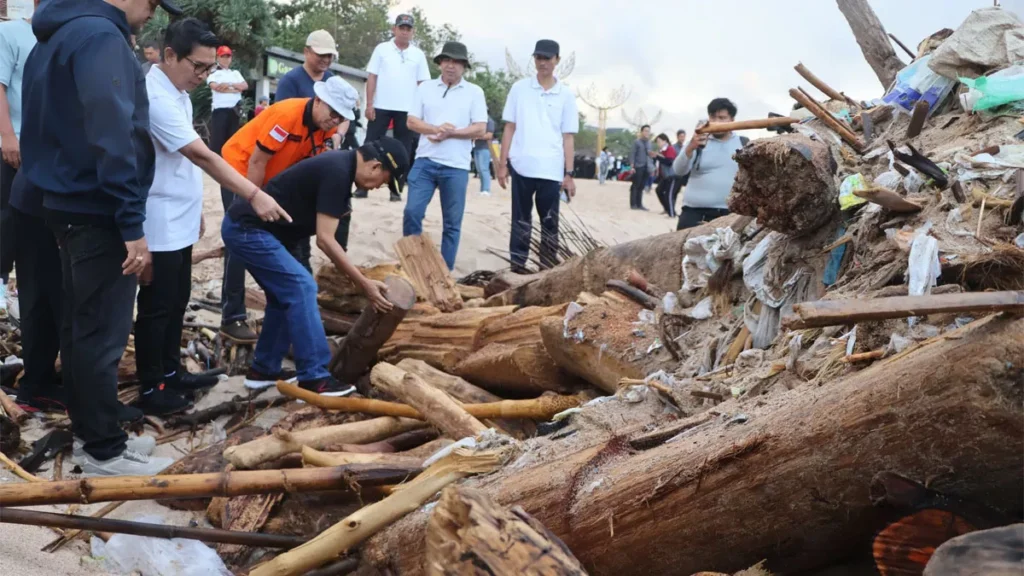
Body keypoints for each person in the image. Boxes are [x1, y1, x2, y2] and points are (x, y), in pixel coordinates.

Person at [19, 0, 185, 476]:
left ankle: (97, 429)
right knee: (100, 333)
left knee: (81, 325)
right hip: (98, 209)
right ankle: (102, 452)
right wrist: (131, 223)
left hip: (66, 201)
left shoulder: (58, 32)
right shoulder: (100, 37)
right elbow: (112, 130)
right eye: (152, 2)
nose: (152, 12)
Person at [137, 18, 290, 416]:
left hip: (179, 213)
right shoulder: (154, 95)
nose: (205, 76)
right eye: (199, 67)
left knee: (179, 298)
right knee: (158, 304)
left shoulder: (180, 93)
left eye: (209, 68)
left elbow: (181, 159)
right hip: (159, 218)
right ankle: (153, 386)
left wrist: (195, 210)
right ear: (170, 55)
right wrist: (253, 194)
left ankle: (171, 373)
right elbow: (201, 155)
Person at [221, 138, 408, 393]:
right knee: (301, 287)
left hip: (264, 232)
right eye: (384, 181)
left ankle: (263, 371)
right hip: (248, 229)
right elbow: (325, 240)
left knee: (282, 296)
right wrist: (363, 284)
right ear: (375, 167)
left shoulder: (341, 167)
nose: (378, 188)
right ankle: (315, 376)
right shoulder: (338, 171)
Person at [218, 76, 352, 345]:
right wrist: (251, 202)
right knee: (241, 239)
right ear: (318, 100)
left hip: (275, 180)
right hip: (241, 171)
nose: (334, 120)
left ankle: (292, 315)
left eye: (341, 117)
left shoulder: (325, 130)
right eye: (332, 113)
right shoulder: (285, 115)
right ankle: (232, 317)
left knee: (291, 241)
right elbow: (257, 161)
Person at [404, 41, 487, 271]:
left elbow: (480, 128)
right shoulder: (425, 88)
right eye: (447, 60)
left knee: (452, 224)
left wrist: (452, 133)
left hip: (457, 166)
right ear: (440, 63)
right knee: (412, 212)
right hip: (425, 161)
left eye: (457, 62)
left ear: (464, 66)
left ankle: (445, 272)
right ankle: (415, 267)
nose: (451, 66)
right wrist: (436, 130)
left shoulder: (475, 92)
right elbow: (411, 121)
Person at [497, 39, 578, 271]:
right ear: (534, 59)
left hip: (551, 169)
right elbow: (509, 127)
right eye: (539, 58)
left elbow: (568, 136)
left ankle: (547, 267)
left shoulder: (566, 95)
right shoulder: (519, 89)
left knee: (550, 223)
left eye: (548, 58)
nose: (543, 63)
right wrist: (502, 164)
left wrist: (569, 173)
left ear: (557, 60)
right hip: (522, 164)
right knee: (521, 220)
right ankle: (517, 265)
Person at [364, 12, 430, 201]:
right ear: (394, 29)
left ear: (413, 32)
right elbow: (372, 77)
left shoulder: (418, 54)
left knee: (404, 149)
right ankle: (362, 184)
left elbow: (422, 84)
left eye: (408, 29)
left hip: (407, 109)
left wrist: (421, 111)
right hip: (381, 105)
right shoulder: (382, 49)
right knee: (371, 144)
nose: (404, 32)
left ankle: (396, 187)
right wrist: (369, 104)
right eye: (401, 28)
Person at [0, 0, 38, 312]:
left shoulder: (63, 36)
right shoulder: (10, 32)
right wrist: (7, 136)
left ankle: (26, 291)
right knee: (5, 219)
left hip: (46, 152)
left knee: (34, 226)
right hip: (13, 146)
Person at [672, 98, 748, 230]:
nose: (716, 122)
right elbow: (678, 170)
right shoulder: (699, 141)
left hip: (729, 215)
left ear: (732, 120)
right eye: (713, 117)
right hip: (694, 213)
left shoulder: (743, 143)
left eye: (722, 118)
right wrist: (691, 147)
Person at [206, 45, 247, 156]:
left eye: (228, 56)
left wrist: (228, 85)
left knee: (232, 139)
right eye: (223, 56)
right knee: (217, 140)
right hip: (220, 110)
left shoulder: (235, 73)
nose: (226, 59)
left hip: (234, 110)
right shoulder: (214, 73)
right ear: (218, 58)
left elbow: (244, 86)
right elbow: (215, 87)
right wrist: (235, 89)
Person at [274, 29, 336, 102]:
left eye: (329, 56)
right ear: (306, 52)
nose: (326, 60)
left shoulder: (334, 82)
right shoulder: (290, 82)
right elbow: (280, 112)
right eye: (321, 55)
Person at [652, 133, 678, 216]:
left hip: (671, 175)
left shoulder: (670, 149)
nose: (658, 144)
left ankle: (671, 213)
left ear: (665, 141)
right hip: (664, 176)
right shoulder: (662, 151)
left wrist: (658, 157)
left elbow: (669, 162)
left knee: (669, 195)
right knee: (659, 190)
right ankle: (666, 208)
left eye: (659, 141)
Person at [629, 124, 653, 210]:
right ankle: (633, 204)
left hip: (647, 167)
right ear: (642, 132)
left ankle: (639, 204)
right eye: (645, 131)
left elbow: (650, 155)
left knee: (642, 186)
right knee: (636, 185)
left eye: (648, 131)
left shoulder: (650, 143)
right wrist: (632, 166)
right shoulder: (636, 142)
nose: (647, 133)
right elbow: (632, 154)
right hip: (638, 166)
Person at [473, 115, 495, 196]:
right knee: (479, 169)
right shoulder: (477, 121)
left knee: (484, 169)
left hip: (485, 148)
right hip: (477, 147)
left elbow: (489, 135)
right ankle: (482, 189)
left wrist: (476, 136)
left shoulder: (489, 121)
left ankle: (486, 189)